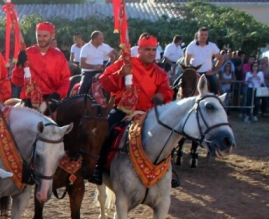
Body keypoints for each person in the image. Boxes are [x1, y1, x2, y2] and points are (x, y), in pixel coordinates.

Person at [89, 33, 173, 185]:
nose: (151, 53)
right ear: (139, 50)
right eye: (147, 49)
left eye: (154, 50)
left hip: (149, 114)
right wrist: (120, 73)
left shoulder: (160, 73)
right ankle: (98, 166)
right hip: (124, 111)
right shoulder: (126, 63)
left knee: (169, 134)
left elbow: (167, 91)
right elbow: (105, 81)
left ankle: (168, 170)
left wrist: (161, 95)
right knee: (104, 130)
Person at [11, 21, 71, 105]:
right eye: (38, 35)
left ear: (52, 36)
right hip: (29, 98)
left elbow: (65, 81)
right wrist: (19, 65)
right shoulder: (26, 53)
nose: (41, 39)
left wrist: (58, 94)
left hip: (51, 98)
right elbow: (16, 82)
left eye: (45, 36)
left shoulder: (59, 56)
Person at [184, 27, 223, 94]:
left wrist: (214, 71)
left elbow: (220, 59)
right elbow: (187, 59)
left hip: (207, 73)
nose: (204, 36)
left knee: (215, 88)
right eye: (202, 34)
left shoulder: (212, 46)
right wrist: (188, 70)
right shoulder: (191, 46)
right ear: (198, 35)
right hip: (194, 73)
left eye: (205, 35)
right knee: (180, 85)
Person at [79, 31, 115, 96]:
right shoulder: (85, 48)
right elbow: (81, 64)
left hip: (101, 71)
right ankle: (80, 102)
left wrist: (108, 65)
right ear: (95, 39)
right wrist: (94, 67)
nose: (103, 40)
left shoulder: (104, 46)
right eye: (101, 39)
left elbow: (112, 56)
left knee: (111, 84)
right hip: (88, 73)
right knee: (83, 90)